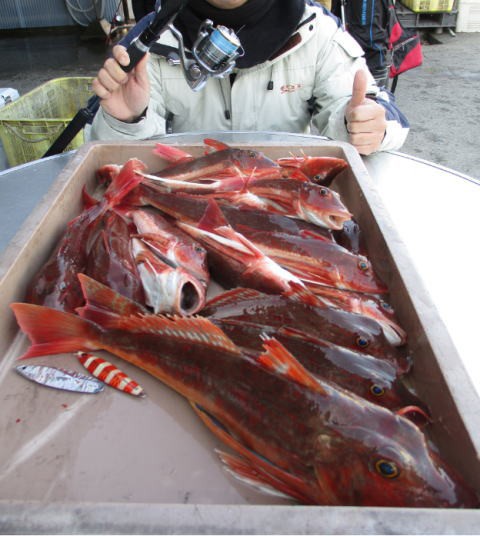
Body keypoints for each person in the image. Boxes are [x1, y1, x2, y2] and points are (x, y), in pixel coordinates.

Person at [89, 0, 409, 156]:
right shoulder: (149, 37)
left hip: (289, 209)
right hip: (190, 209)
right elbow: (126, 166)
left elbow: (376, 110)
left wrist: (367, 127)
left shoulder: (317, 30)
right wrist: (127, 121)